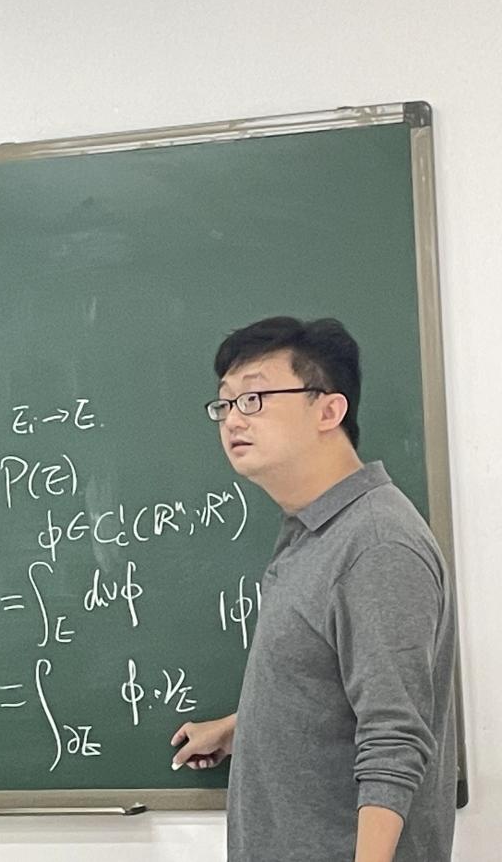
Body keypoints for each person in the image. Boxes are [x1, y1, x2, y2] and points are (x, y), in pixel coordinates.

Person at [171, 317, 458, 862]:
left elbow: (394, 739)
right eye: (225, 403)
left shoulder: (376, 544)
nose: (234, 419)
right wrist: (245, 726)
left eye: (254, 398)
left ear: (329, 410)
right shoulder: (314, 531)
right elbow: (343, 685)